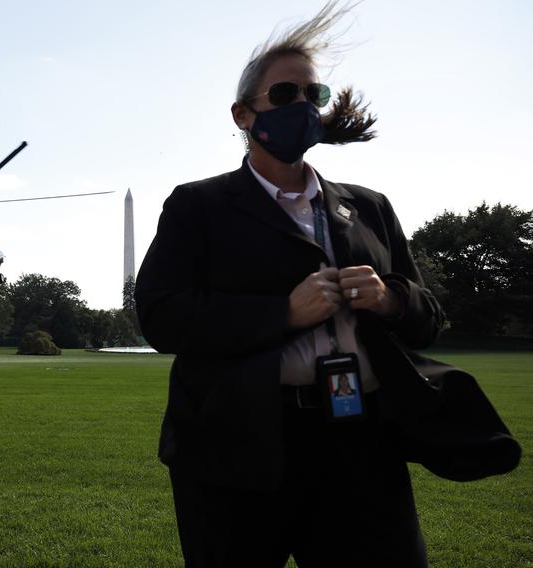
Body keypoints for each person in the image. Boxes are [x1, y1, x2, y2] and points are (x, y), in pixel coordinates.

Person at [134, 2, 517, 566]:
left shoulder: (369, 207)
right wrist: (283, 314)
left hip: (361, 440)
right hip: (242, 444)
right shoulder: (199, 205)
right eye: (284, 94)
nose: (303, 107)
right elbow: (161, 315)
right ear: (243, 115)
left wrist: (391, 299)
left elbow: (429, 316)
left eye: (314, 95)